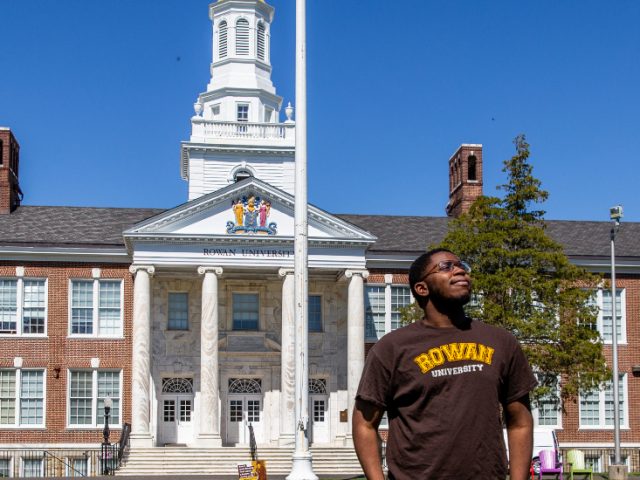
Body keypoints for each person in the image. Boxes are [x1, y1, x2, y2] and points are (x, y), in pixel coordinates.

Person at [353, 248, 536, 480]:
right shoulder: (391, 349)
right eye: (446, 267)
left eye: (462, 266)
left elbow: (520, 421)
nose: (460, 271)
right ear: (422, 288)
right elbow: (365, 425)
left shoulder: (501, 341)